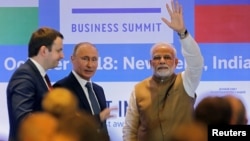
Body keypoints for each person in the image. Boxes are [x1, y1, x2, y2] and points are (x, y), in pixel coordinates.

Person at [122, 0, 204, 140]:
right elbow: (130, 129)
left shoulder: (186, 82)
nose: (161, 61)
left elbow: (196, 62)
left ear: (176, 62)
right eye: (157, 58)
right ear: (150, 63)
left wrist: (182, 33)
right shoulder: (138, 89)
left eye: (167, 57)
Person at [6, 27, 64, 141]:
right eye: (58, 50)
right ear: (44, 51)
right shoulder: (24, 76)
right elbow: (24, 120)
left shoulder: (39, 75)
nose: (62, 56)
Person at [53, 42, 116, 139]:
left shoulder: (98, 90)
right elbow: (66, 125)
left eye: (94, 59)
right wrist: (98, 118)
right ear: (72, 59)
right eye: (85, 59)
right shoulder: (62, 88)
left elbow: (103, 128)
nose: (90, 65)